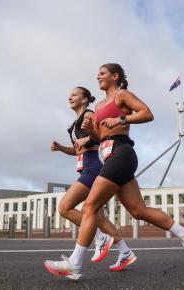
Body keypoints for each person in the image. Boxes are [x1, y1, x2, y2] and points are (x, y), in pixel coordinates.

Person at [45, 63, 184, 280]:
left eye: (102, 73)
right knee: (138, 211)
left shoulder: (122, 95)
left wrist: (122, 118)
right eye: (97, 74)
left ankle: (74, 263)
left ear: (115, 76)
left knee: (90, 206)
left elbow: (147, 113)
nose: (98, 76)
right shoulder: (98, 106)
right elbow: (100, 138)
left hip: (122, 152)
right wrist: (91, 132)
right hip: (109, 155)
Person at [46, 87, 133, 274]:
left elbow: (102, 137)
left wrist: (87, 138)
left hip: (93, 168)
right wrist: (62, 148)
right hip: (85, 168)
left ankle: (99, 238)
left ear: (85, 100)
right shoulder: (76, 121)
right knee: (97, 216)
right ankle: (125, 251)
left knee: (64, 207)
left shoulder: (90, 115)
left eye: (74, 94)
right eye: (69, 94)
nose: (70, 97)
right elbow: (78, 149)